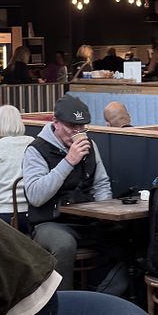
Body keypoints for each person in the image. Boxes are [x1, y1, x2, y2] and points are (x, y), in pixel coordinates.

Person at [22, 94, 112, 290]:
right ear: (55, 122)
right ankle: (64, 301)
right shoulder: (36, 150)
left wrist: (105, 212)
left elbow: (101, 183)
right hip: (49, 222)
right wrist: (69, 161)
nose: (78, 133)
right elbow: (36, 197)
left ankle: (104, 296)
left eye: (82, 127)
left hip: (87, 220)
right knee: (63, 244)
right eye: (72, 127)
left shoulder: (90, 146)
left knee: (126, 235)